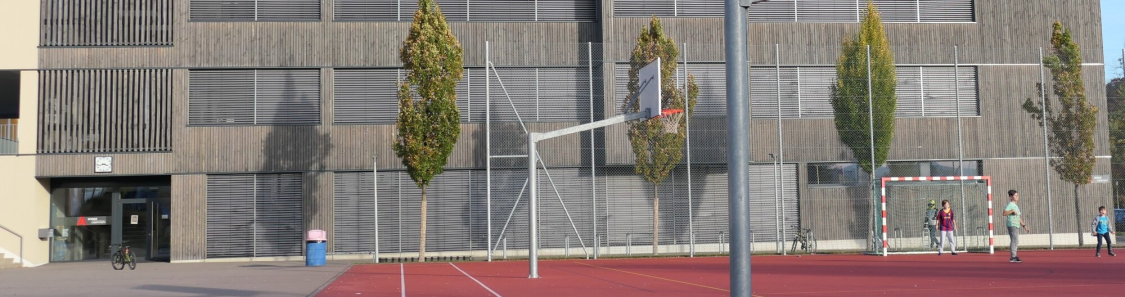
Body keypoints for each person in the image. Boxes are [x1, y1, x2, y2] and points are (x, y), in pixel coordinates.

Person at [1003, 190, 1031, 263]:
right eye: (1015, 196)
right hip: (1012, 224)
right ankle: (1013, 257)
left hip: (1016, 224)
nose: (1017, 197)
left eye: (1017, 195)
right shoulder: (1010, 205)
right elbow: (1004, 213)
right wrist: (1011, 211)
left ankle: (1014, 256)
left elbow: (1018, 217)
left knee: (1016, 240)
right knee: (1014, 240)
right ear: (1011, 197)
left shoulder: (1015, 206)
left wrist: (1024, 226)